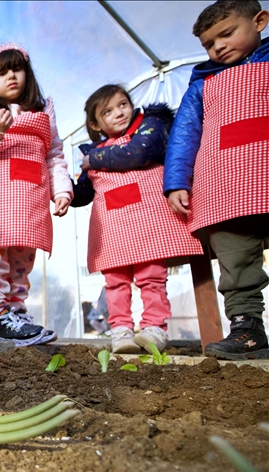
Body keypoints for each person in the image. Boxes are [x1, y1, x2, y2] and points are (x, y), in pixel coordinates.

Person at [164, 0, 269, 360]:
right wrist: (177, 181)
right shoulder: (201, 86)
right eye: (209, 44)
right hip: (228, 185)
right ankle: (247, 327)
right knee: (234, 258)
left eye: (227, 34)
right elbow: (184, 135)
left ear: (260, 21)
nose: (218, 46)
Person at [71, 85, 203, 353]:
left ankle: (155, 329)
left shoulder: (149, 130)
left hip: (148, 226)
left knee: (152, 277)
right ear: (96, 123)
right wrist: (61, 189)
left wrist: (92, 159)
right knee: (115, 282)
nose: (119, 112)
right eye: (108, 111)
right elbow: (83, 193)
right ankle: (121, 331)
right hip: (113, 231)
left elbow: (138, 153)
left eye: (123, 104)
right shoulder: (93, 153)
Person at [0, 43, 71, 346]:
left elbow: (55, 154)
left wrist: (62, 189)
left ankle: (16, 314)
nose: (11, 77)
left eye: (17, 69)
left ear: (27, 74)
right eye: (2, 72)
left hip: (29, 199)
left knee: (22, 263)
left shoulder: (42, 112)